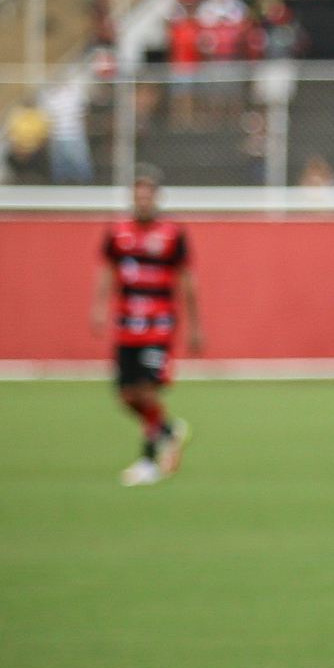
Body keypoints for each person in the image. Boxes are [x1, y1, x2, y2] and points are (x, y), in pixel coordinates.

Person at [90, 170, 203, 487]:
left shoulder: (172, 234)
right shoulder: (118, 232)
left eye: (148, 195)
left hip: (159, 324)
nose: (143, 201)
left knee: (147, 390)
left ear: (156, 198)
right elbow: (107, 269)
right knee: (126, 396)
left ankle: (148, 462)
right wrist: (98, 307)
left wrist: (196, 325)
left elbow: (187, 279)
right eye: (138, 195)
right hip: (127, 324)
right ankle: (169, 431)